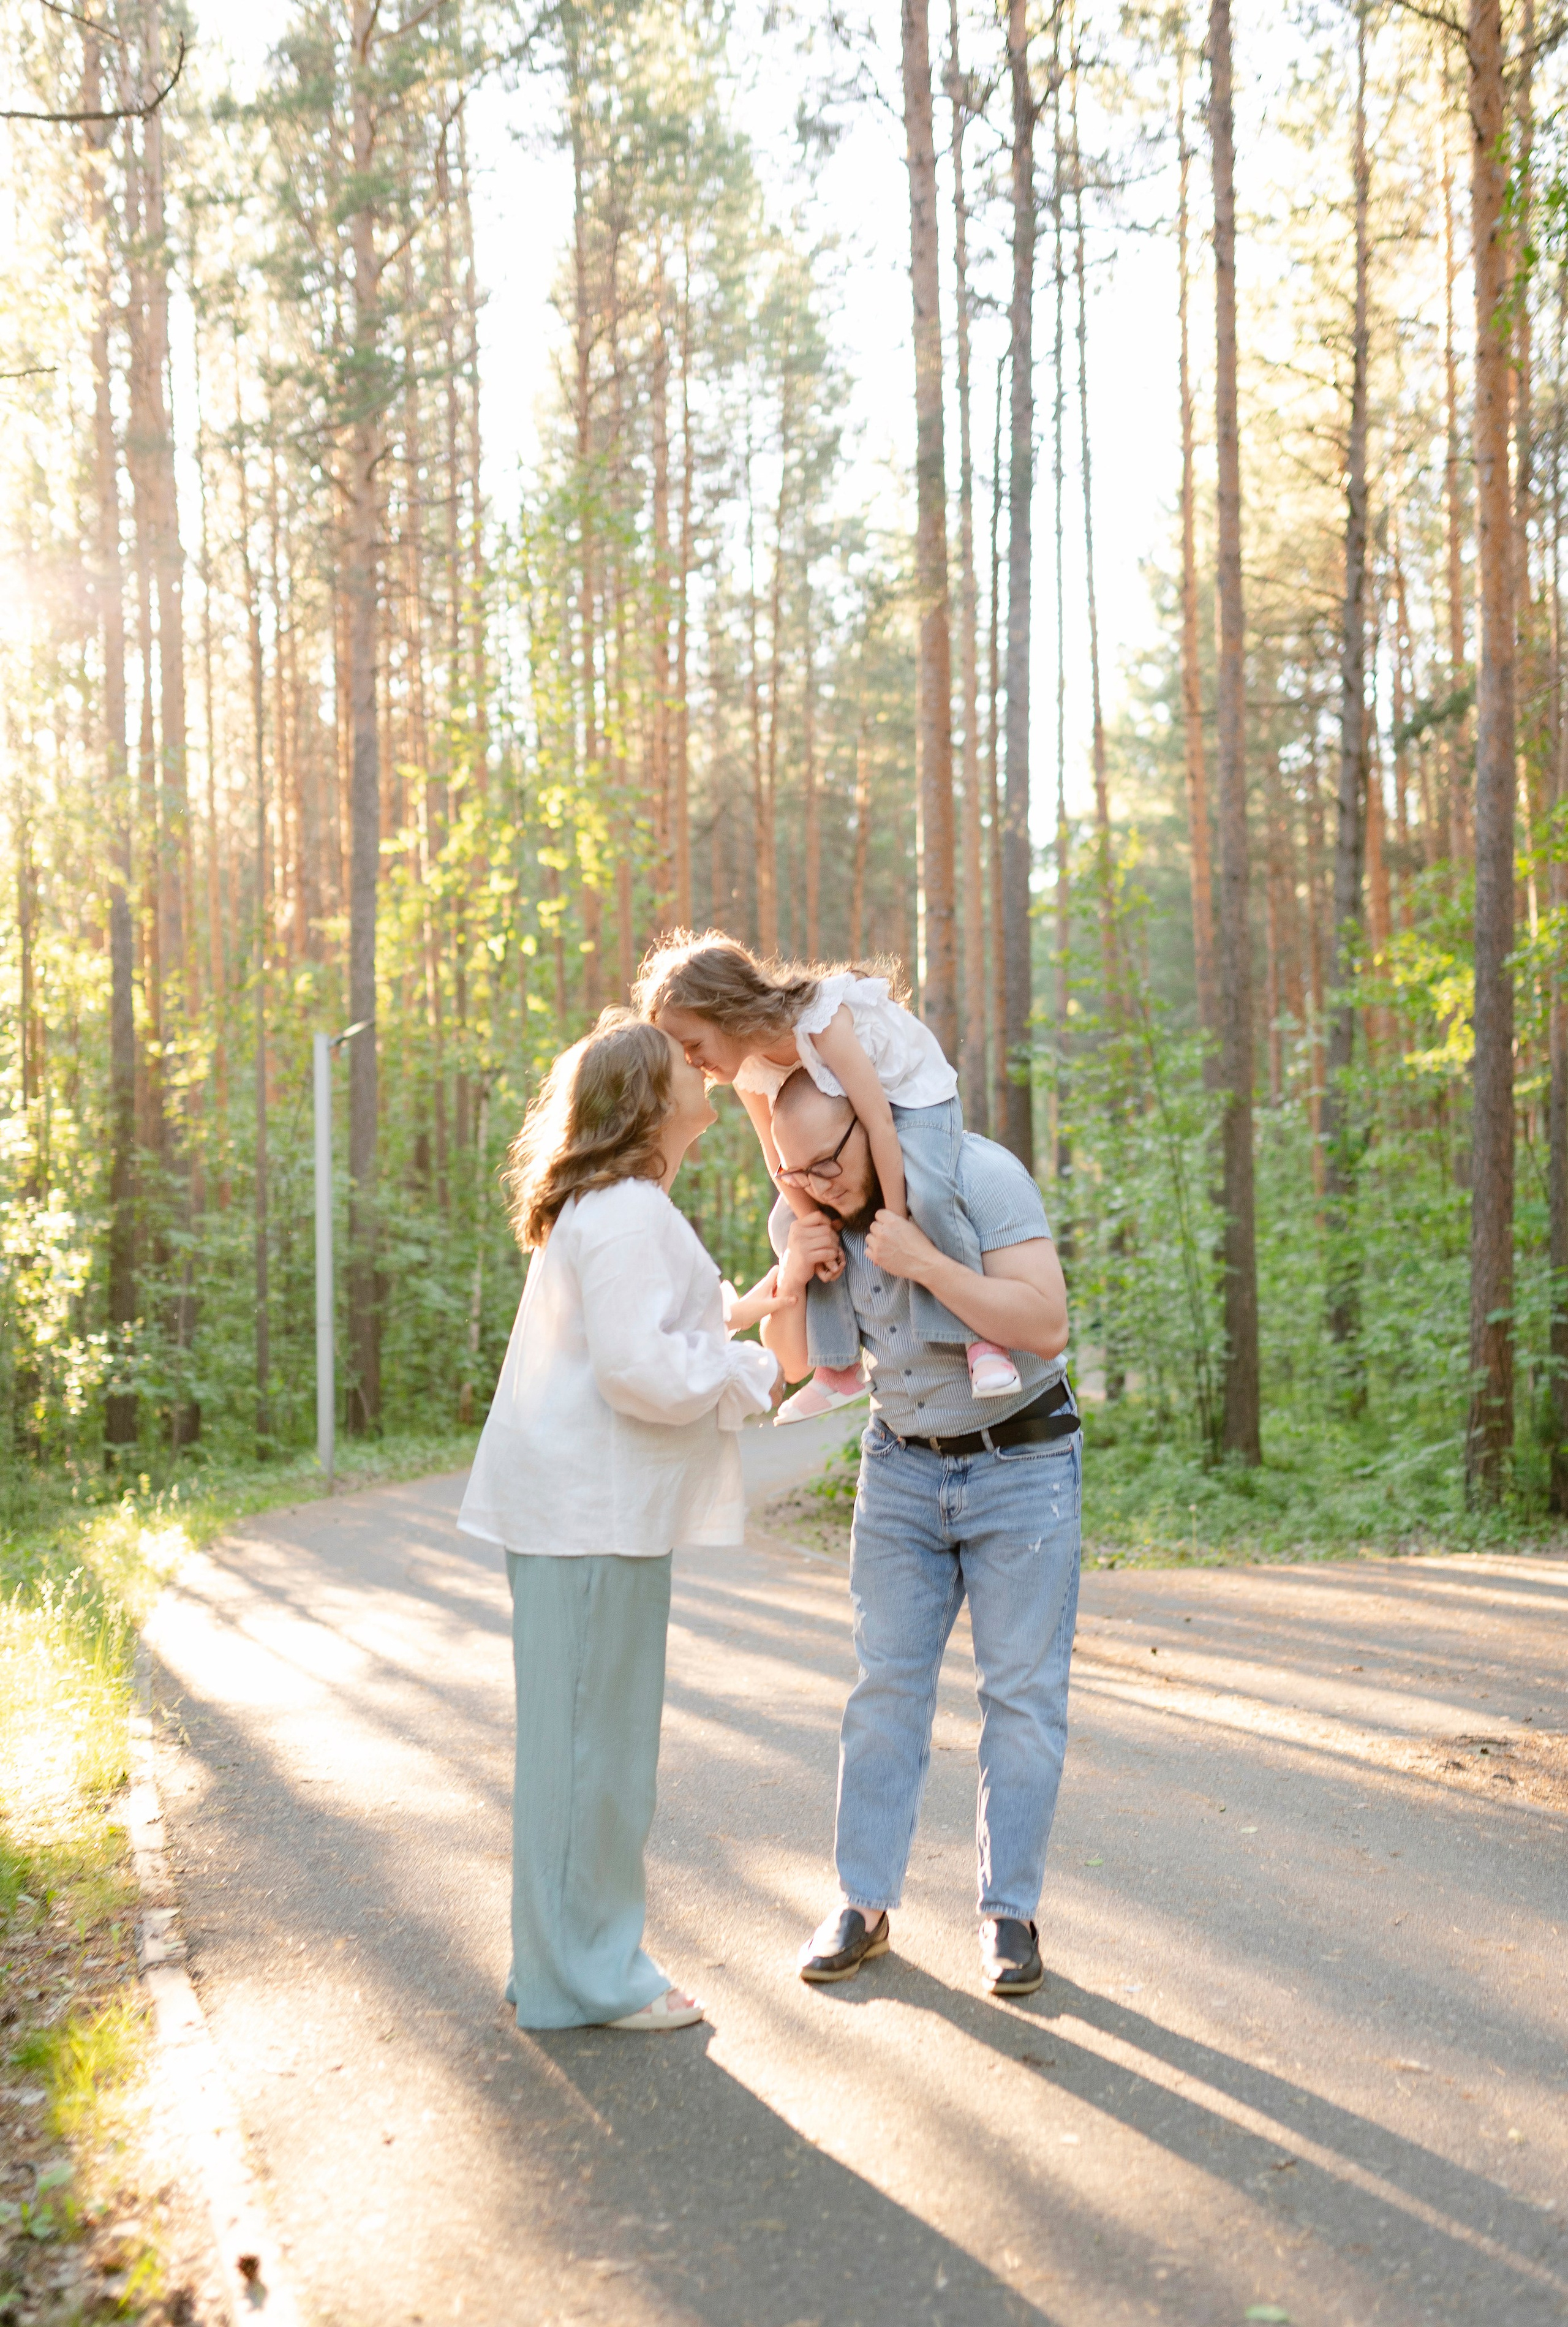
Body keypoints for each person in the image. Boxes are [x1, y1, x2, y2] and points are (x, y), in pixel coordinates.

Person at [458, 1010, 787, 2032]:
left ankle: (555, 1958)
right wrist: (764, 1366)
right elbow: (644, 1369)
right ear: (649, 1100)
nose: (705, 1071)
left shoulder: (607, 1207)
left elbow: (646, 1327)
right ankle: (587, 1976)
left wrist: (743, 1311)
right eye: (686, 1064)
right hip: (588, 1517)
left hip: (580, 1516)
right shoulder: (630, 1209)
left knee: (580, 1748)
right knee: (595, 1755)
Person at [756, 1067, 1079, 2000]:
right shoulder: (804, 1213)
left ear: (874, 1122)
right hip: (899, 1465)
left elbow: (1046, 1323)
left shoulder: (979, 1175)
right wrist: (796, 1268)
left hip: (1022, 1462)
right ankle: (862, 1903)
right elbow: (793, 1365)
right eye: (798, 1171)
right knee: (884, 1687)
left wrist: (928, 1263)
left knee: (1019, 1695)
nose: (821, 1182)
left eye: (832, 1160)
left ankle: (1007, 1910)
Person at [634, 930, 1022, 1425]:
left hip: (911, 1097)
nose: (696, 1064)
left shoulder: (819, 1020)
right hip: (843, 1132)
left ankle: (983, 1341)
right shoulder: (748, 1069)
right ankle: (837, 1367)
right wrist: (813, 1225)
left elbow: (880, 1120)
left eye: (695, 1045)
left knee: (931, 1193)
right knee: (789, 1231)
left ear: (725, 1010)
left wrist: (896, 1215)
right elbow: (776, 1157)